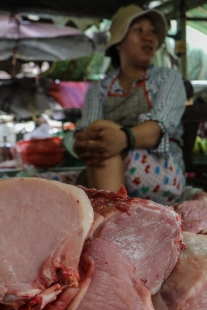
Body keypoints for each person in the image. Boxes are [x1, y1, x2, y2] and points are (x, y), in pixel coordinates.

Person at [73, 5, 186, 204]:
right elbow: (86, 133)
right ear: (118, 42)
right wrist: (83, 142)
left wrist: (122, 138)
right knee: (99, 135)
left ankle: (112, 214)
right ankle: (115, 211)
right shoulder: (100, 88)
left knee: (102, 132)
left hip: (162, 171)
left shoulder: (168, 78)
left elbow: (157, 129)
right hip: (111, 162)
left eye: (152, 31)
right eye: (138, 30)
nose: (149, 37)